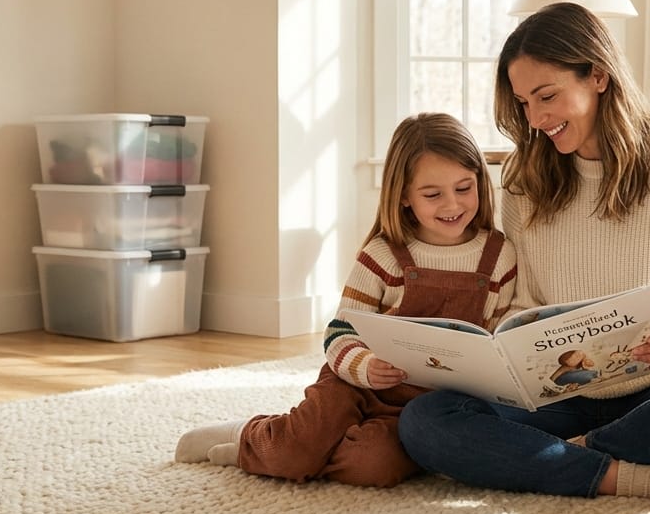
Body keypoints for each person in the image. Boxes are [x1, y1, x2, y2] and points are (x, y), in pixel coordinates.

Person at [397, 2, 650, 503]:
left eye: (546, 96)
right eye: (525, 102)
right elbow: (525, 305)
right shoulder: (523, 181)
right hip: (561, 396)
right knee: (425, 420)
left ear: (597, 75)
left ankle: (555, 458)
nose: (536, 118)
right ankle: (632, 476)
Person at [175, 112, 517, 488]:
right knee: (295, 450)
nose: (452, 205)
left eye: (464, 188)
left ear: (482, 183)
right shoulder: (385, 254)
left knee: (371, 468)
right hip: (353, 385)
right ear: (403, 196)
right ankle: (253, 439)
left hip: (423, 407)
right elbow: (339, 332)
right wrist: (365, 366)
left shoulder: (499, 257)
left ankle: (294, 444)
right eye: (433, 194)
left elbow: (495, 340)